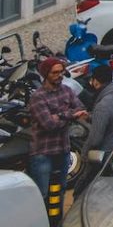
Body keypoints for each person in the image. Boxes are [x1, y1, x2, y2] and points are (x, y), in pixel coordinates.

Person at [28, 56, 87, 218]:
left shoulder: (67, 91)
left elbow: (81, 109)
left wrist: (59, 116)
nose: (59, 75)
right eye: (55, 73)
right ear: (46, 74)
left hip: (63, 149)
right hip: (43, 152)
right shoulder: (38, 97)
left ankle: (56, 221)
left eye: (61, 72)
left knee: (59, 191)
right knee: (42, 193)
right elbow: (48, 124)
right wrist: (69, 115)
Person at [77, 65, 113, 196]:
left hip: (103, 159)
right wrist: (90, 117)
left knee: (81, 192)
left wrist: (84, 154)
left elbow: (95, 139)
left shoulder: (103, 105)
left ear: (95, 81)